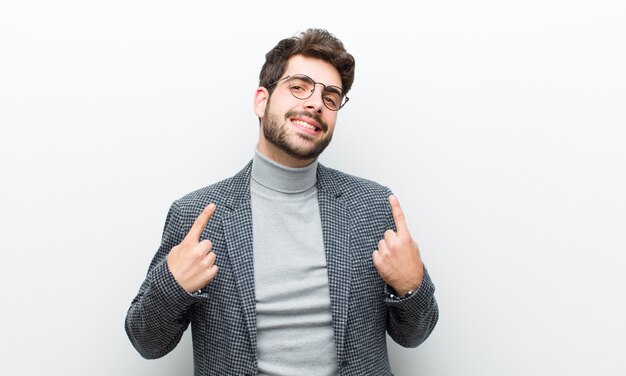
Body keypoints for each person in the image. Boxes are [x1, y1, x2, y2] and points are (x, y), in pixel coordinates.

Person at [125, 28, 438, 376]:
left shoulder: (373, 207)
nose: (316, 103)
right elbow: (147, 342)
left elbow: (414, 336)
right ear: (262, 100)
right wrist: (173, 284)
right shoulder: (196, 216)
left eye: (331, 97)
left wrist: (412, 283)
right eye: (299, 86)